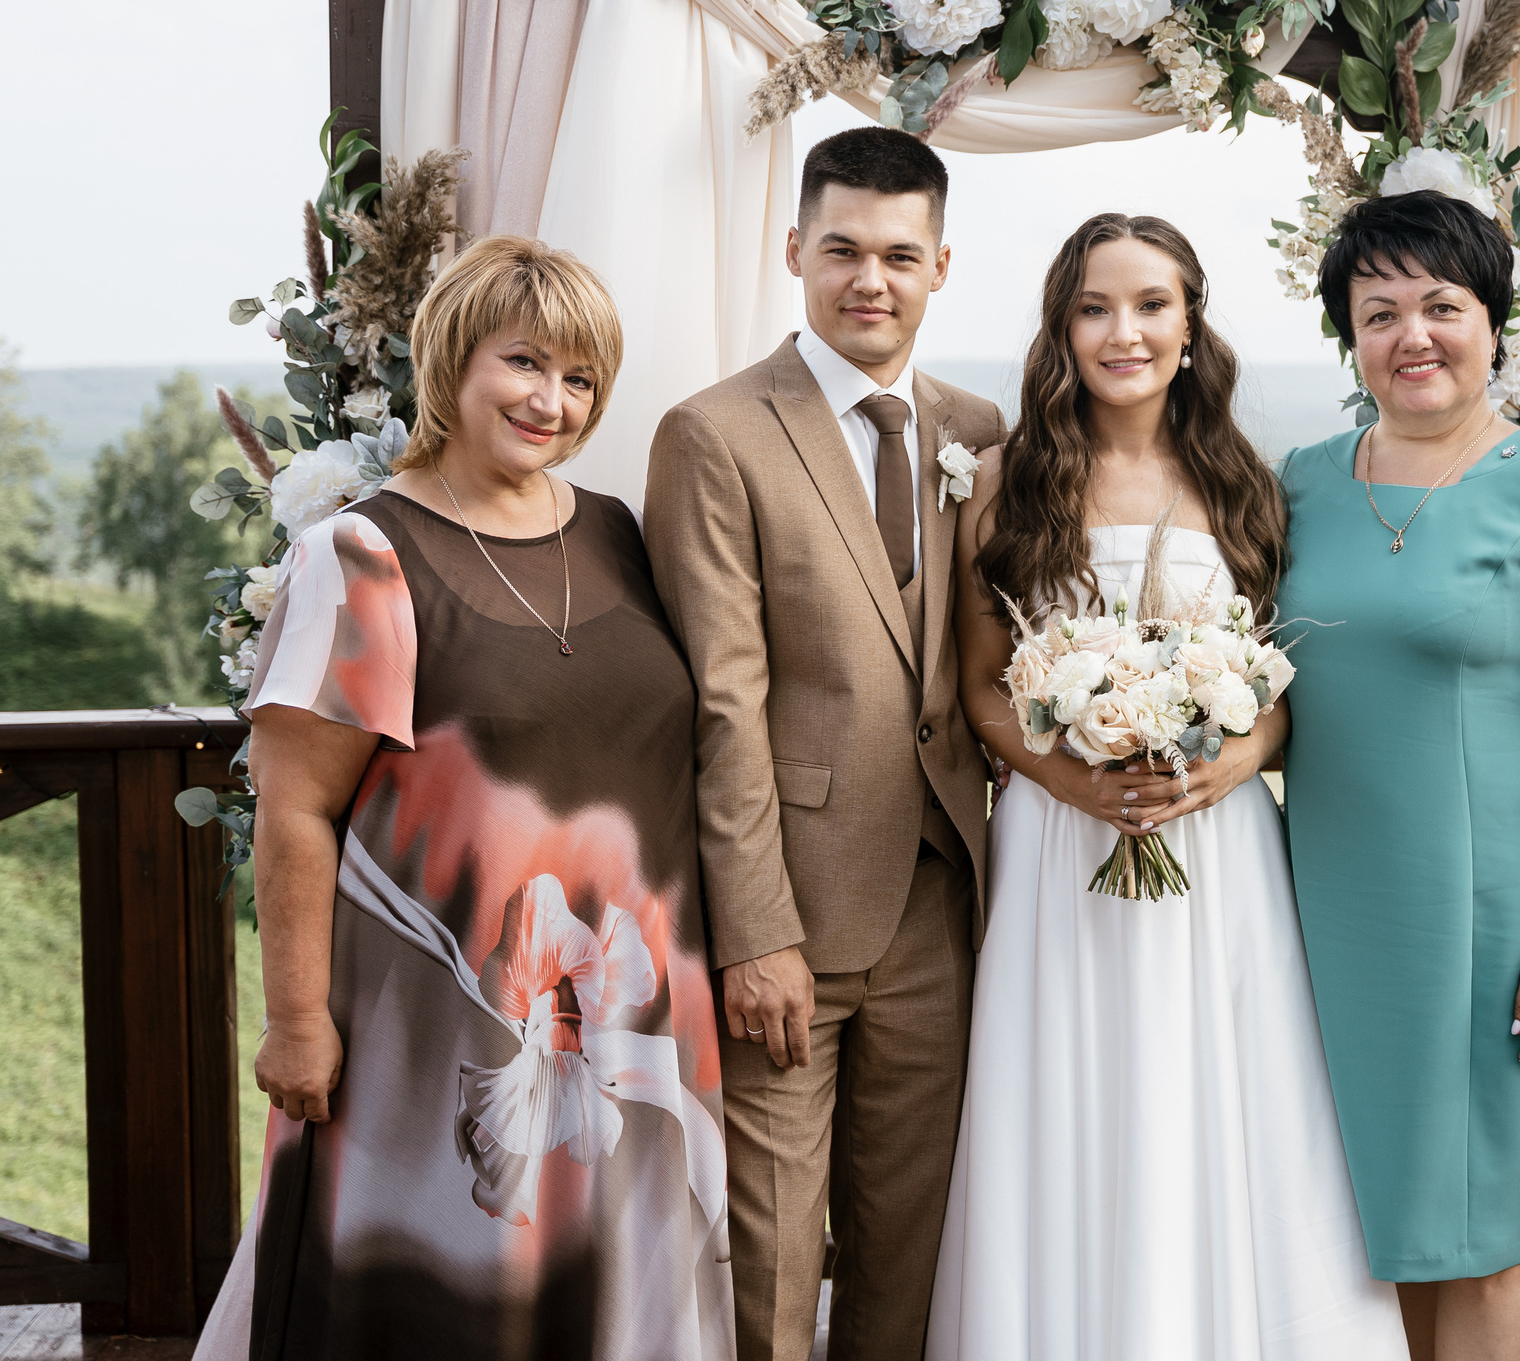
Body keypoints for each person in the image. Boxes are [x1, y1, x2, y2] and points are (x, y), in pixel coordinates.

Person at [223, 235, 731, 1360]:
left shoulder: (616, 533)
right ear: (452, 361)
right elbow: (297, 808)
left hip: (632, 1029)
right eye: (525, 363)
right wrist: (296, 1021)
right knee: (445, 1307)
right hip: (440, 1031)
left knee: (604, 1302)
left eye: (581, 377)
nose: (552, 401)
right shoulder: (362, 555)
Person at [929, 213, 1408, 1360]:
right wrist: (1073, 779)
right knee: (1072, 1110)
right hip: (1060, 843)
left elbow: (1285, 685)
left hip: (1217, 844)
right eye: (1095, 307)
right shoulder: (1002, 484)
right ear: (1062, 327)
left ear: (1191, 324)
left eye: (1151, 305)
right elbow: (984, 689)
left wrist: (1239, 755)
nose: (1123, 331)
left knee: (1225, 1103)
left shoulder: (1244, 480)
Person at [1274, 190, 1520, 1361]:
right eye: (1378, 311)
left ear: (1494, 320)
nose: (1413, 336)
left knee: (1484, 1237)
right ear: (1348, 335)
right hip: (1330, 925)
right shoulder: (1297, 483)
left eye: (1441, 305)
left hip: (1499, 922)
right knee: (1383, 1230)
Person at [645, 127, 1008, 1361]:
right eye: (842, 249)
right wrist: (755, 934)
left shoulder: (981, 429)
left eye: (900, 255)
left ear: (941, 266)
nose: (871, 279)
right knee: (773, 1253)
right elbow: (721, 704)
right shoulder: (714, 434)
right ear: (795, 250)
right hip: (788, 912)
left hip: (945, 902)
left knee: (911, 1245)